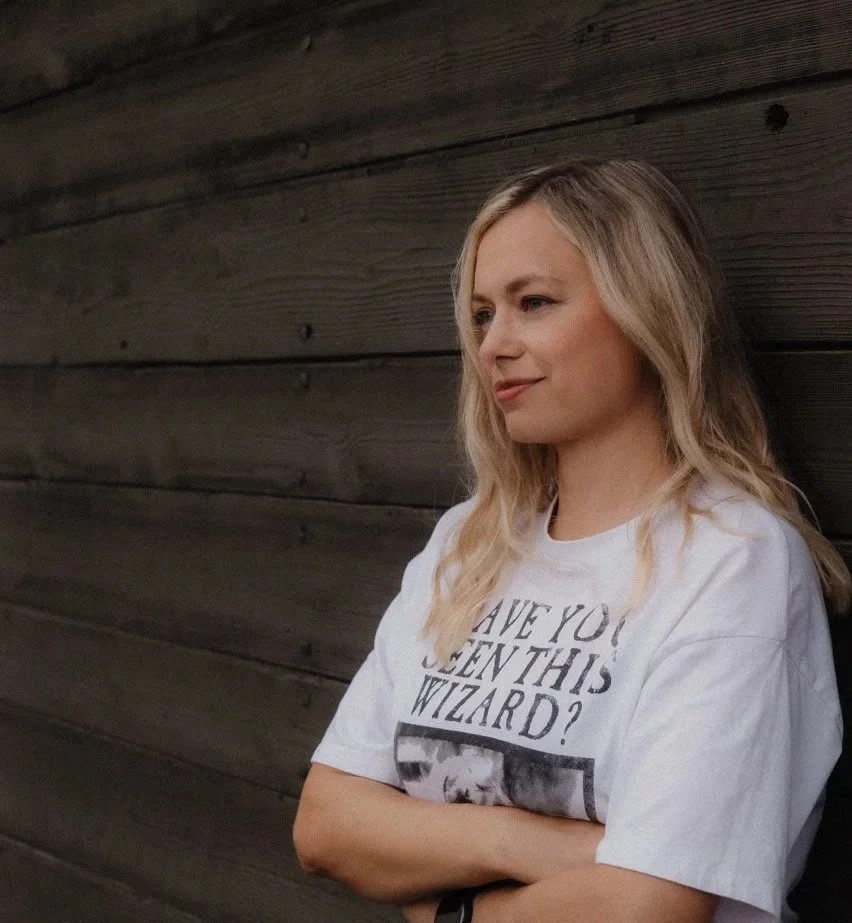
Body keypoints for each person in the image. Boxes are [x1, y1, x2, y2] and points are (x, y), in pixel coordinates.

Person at [292, 159, 848, 923]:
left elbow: (641, 907)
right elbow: (325, 822)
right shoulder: (469, 543)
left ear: (646, 310)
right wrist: (540, 844)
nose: (493, 344)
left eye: (535, 302)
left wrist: (448, 908)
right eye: (484, 313)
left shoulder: (732, 556)